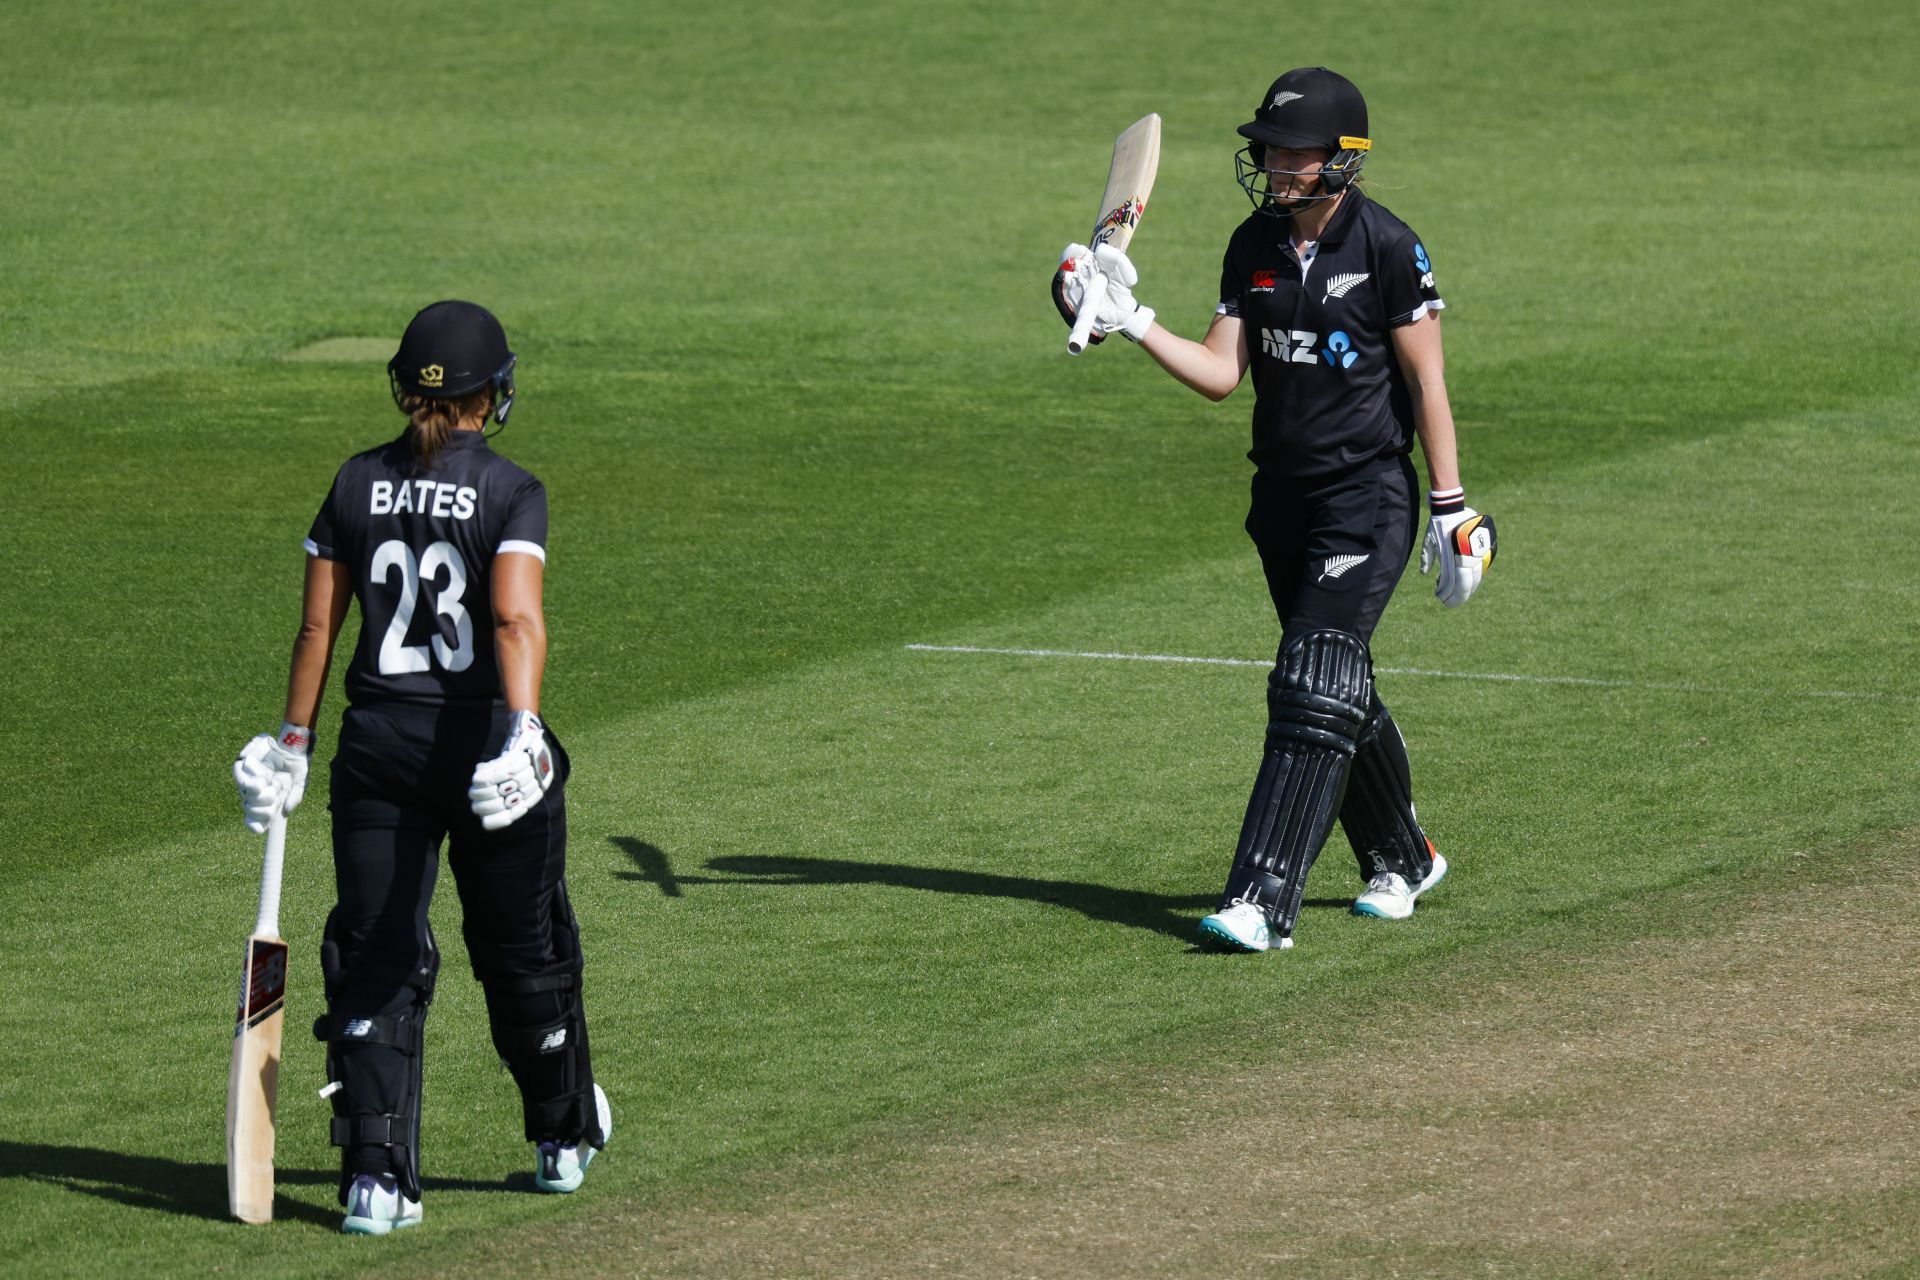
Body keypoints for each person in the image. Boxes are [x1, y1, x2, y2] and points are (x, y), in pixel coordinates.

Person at [1053, 67, 1497, 953]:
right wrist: (1131, 321)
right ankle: (1403, 857)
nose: (1274, 163)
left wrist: (1451, 508)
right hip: (1282, 501)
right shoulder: (1252, 244)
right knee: (1331, 679)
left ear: (1343, 159)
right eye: (1269, 149)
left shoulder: (1387, 247)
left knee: (1309, 678)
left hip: (1366, 496)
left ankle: (1261, 898)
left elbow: (1428, 380)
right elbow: (1223, 375)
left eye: (1293, 151)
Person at [232, 300, 610, 1233]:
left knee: (376, 951)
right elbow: (516, 620)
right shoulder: (514, 490)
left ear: (407, 388)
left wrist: (291, 740)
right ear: (493, 394)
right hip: (484, 745)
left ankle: (375, 1181)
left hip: (377, 751)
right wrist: (524, 730)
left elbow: (321, 625)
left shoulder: (355, 482)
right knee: (522, 944)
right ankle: (561, 1137)